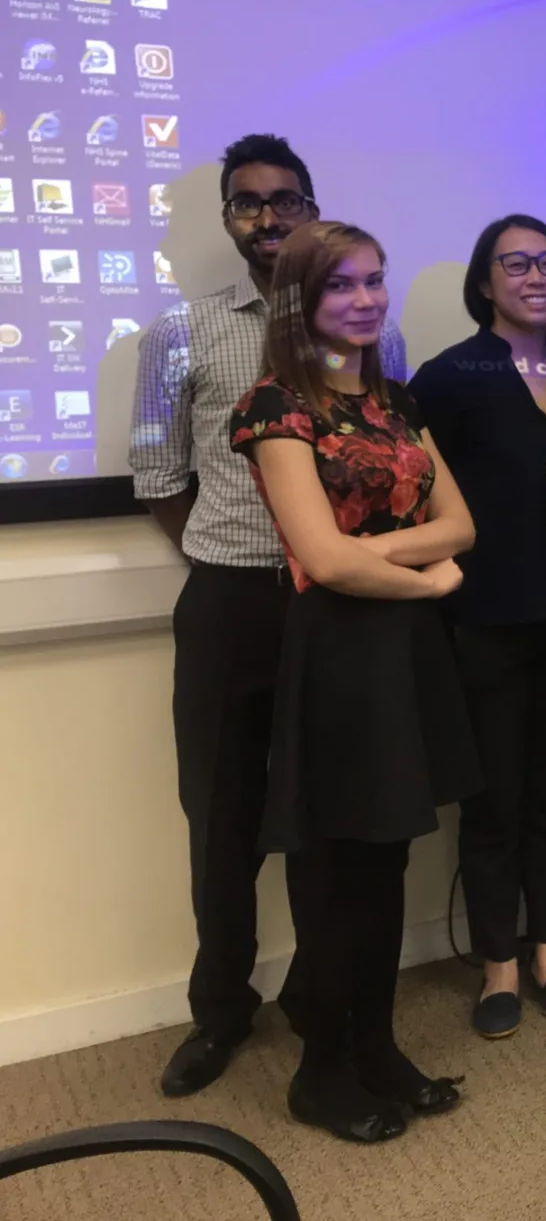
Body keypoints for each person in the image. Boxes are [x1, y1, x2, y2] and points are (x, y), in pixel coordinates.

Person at [129, 134, 407, 1098]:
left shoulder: (369, 333)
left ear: (312, 210)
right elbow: (159, 475)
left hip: (336, 606)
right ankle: (220, 1008)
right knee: (223, 818)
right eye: (247, 203)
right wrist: (238, 551)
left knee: (329, 818)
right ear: (227, 220)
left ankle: (315, 999)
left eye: (286, 199)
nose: (268, 216)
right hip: (232, 601)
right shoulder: (181, 334)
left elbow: (390, 466)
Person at [230, 220, 479, 1143]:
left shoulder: (394, 400)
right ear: (300, 299)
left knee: (386, 859)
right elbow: (322, 561)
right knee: (333, 866)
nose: (366, 299)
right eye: (342, 284)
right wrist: (425, 576)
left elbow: (462, 525)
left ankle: (374, 1044)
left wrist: (386, 560)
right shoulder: (275, 407)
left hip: (401, 651)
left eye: (375, 280)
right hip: (337, 652)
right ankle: (321, 1067)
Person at [409, 216, 546, 1041]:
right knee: (492, 806)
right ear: (484, 282)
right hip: (484, 623)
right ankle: (499, 967)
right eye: (515, 264)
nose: (535, 276)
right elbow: (414, 494)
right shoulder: (451, 376)